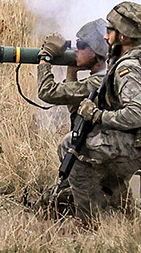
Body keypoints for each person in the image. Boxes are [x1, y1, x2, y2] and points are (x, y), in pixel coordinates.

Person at [52, 1, 141, 220]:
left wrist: (97, 115)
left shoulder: (129, 68)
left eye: (110, 31)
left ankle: (88, 221)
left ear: (123, 36)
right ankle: (118, 206)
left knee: (73, 145)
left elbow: (136, 114)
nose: (106, 37)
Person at [35, 20, 109, 222]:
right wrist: (72, 71)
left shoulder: (97, 81)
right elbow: (76, 108)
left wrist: (45, 59)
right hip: (105, 154)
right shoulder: (105, 77)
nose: (76, 48)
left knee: (53, 201)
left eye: (82, 45)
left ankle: (85, 221)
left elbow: (47, 92)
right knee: (50, 200)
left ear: (95, 53)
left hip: (98, 156)